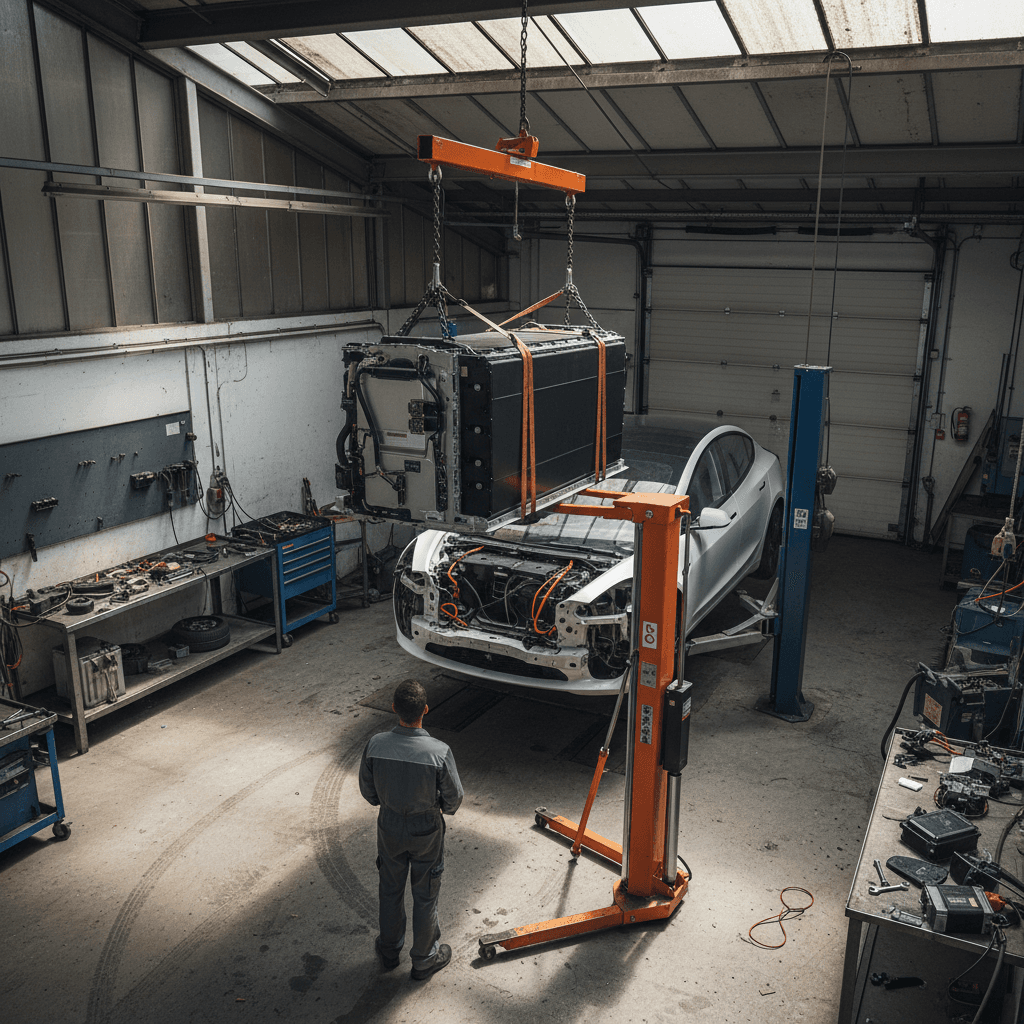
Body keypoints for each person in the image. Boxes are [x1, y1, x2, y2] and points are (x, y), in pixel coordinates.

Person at [359, 679, 464, 980]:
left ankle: (389, 950)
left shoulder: (375, 745)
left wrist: (388, 804)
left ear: (394, 708)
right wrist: (437, 808)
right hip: (426, 828)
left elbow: (368, 791)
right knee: (425, 893)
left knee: (389, 889)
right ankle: (424, 960)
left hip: (389, 825)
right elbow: (454, 797)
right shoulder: (439, 752)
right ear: (426, 710)